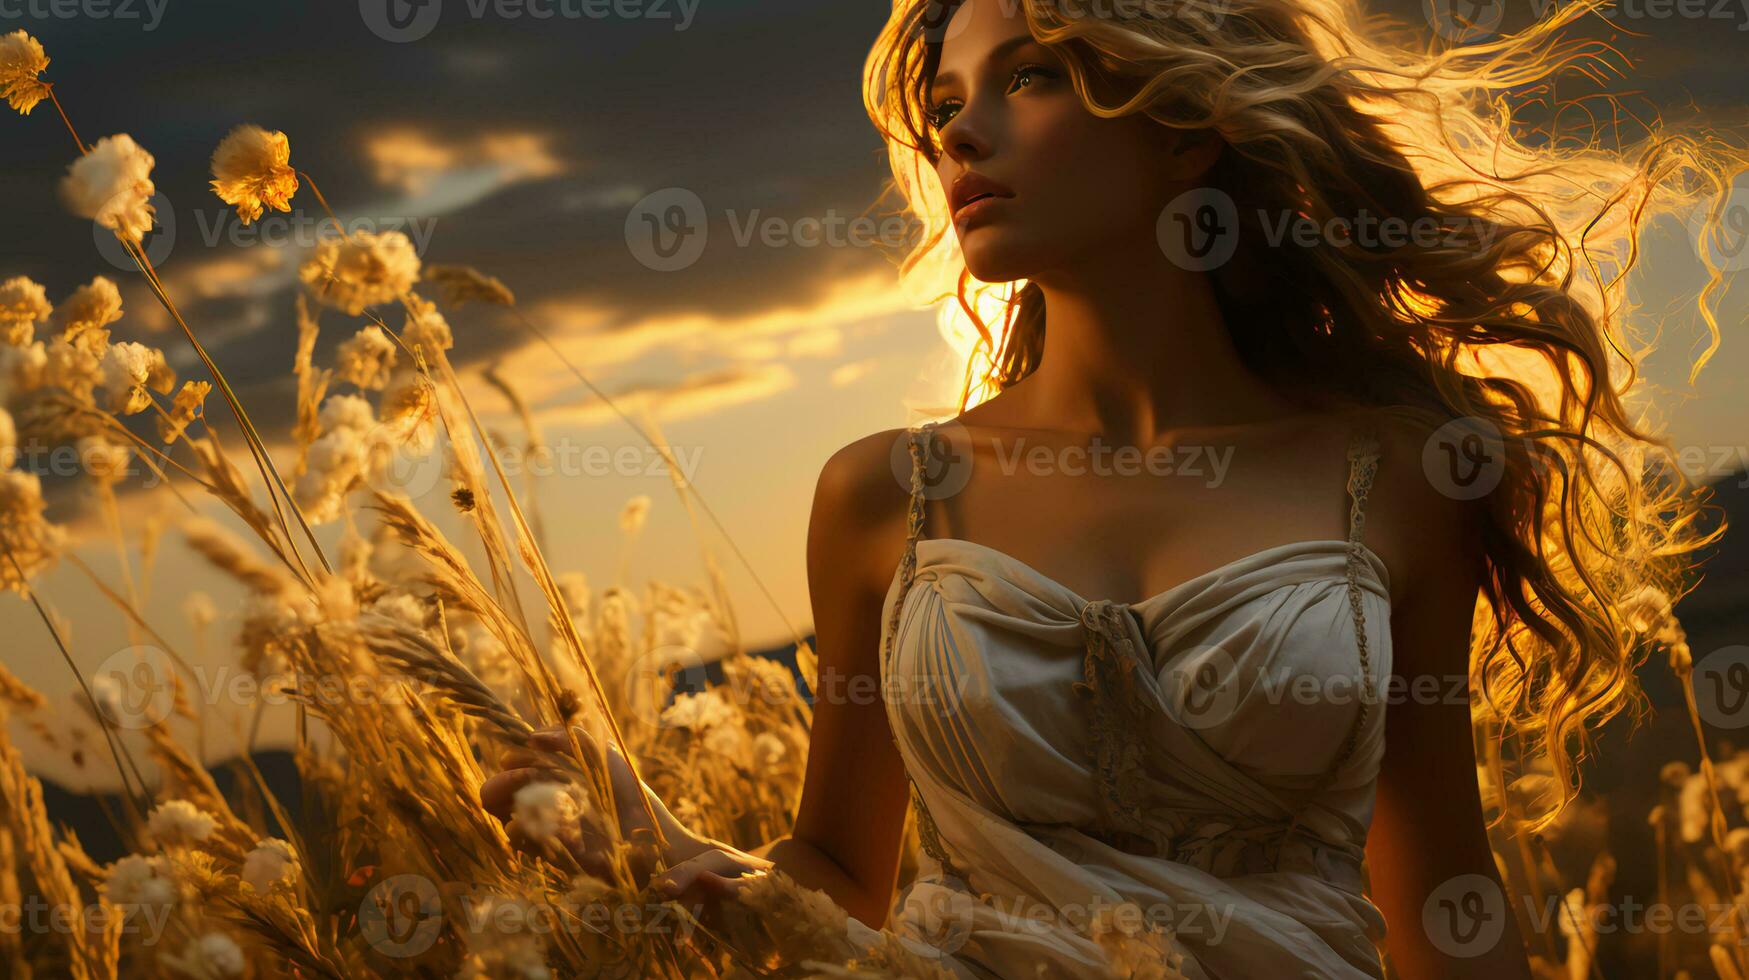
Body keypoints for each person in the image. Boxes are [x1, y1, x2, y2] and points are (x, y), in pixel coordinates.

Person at [485, 0, 1737, 975]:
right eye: (947, 100)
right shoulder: (888, 495)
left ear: (1185, 117)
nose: (961, 133)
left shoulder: (1395, 480)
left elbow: (1449, 917)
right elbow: (841, 883)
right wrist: (664, 848)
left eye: (1027, 76)